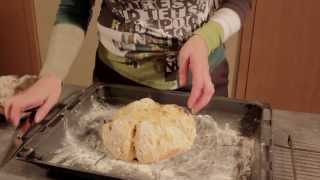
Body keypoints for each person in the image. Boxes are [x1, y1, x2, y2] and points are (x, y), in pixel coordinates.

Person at [5, 0, 250, 126]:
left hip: (200, 82)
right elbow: (74, 7)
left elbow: (239, 2)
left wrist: (205, 39)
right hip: (115, 84)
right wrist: (51, 75)